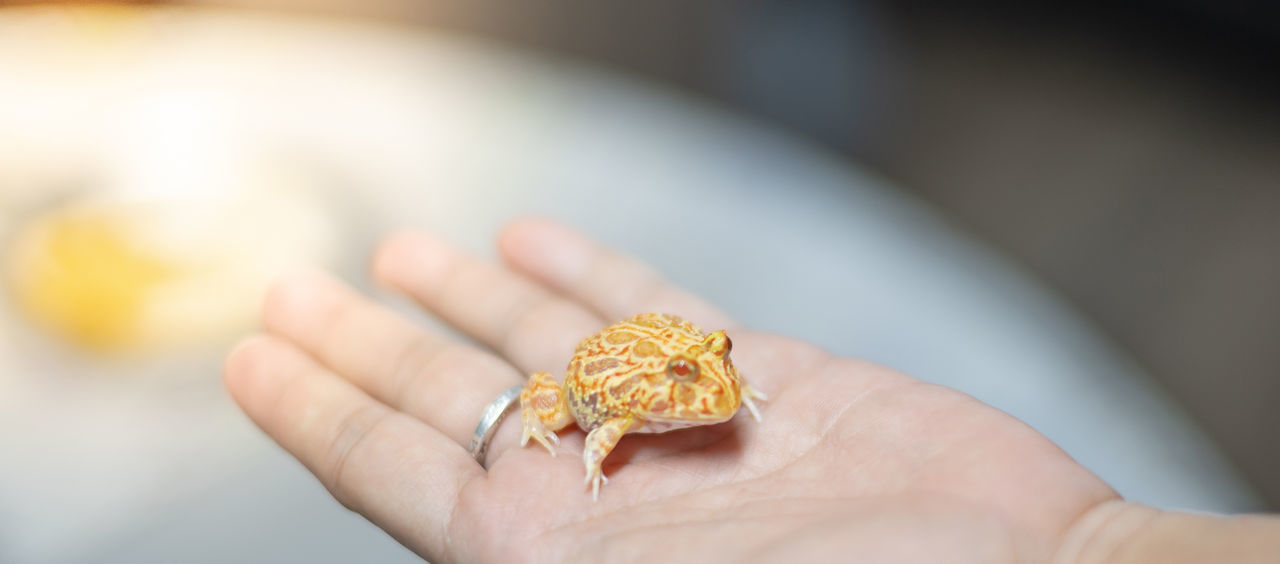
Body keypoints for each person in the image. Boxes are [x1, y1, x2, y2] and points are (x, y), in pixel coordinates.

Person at [224, 218, 1280, 562]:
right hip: (592, 379)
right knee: (549, 403)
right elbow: (598, 421)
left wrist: (1089, 544)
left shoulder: (701, 385)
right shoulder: (624, 395)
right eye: (704, 375)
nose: (724, 392)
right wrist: (579, 447)